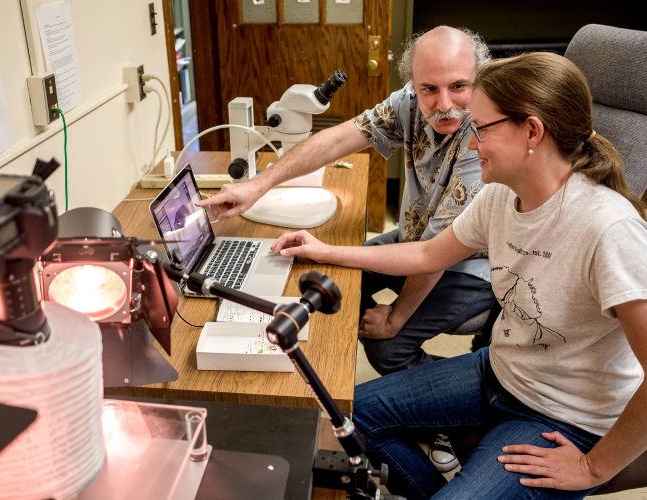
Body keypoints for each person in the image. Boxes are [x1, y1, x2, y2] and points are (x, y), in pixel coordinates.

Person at [269, 51, 647, 498]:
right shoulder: (501, 197)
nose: (470, 143)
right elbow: (428, 254)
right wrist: (325, 250)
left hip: (562, 418)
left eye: (481, 129)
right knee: (346, 418)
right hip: (500, 372)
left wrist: (592, 467)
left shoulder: (609, 230)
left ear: (532, 131)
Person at [199, 26, 496, 381]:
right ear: (415, 85)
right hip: (414, 242)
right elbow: (339, 138)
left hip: (471, 266)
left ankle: (474, 389)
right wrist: (257, 185)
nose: (444, 104)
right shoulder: (411, 103)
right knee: (326, 282)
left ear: (478, 78)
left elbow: (432, 256)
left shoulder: (483, 139)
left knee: (387, 346)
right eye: (429, 88)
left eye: (459, 86)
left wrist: (395, 318)